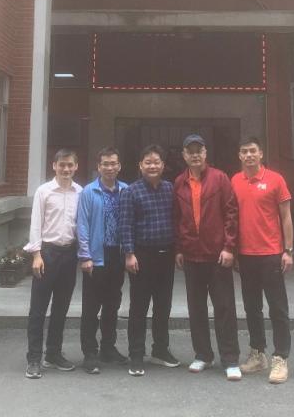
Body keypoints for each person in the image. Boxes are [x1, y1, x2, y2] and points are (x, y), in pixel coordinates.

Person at [172, 134, 241, 381]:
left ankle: (230, 359)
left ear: (205, 153)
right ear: (184, 155)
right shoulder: (179, 182)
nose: (195, 155)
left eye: (199, 150)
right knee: (196, 308)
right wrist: (179, 249)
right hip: (192, 255)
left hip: (217, 255)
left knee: (224, 307)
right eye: (190, 151)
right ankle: (203, 354)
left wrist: (229, 247)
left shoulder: (220, 178)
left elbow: (231, 213)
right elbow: (177, 219)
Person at [231, 137, 294, 384]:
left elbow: (286, 217)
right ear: (239, 156)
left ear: (261, 154)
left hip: (271, 254)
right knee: (252, 307)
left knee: (277, 308)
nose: (248, 155)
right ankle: (258, 353)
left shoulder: (275, 180)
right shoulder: (235, 181)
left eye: (252, 151)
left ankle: (281, 357)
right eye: (244, 151)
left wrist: (288, 250)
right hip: (246, 255)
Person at [118, 144, 180, 376]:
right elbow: (125, 225)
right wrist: (129, 254)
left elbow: (176, 220)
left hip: (166, 255)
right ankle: (136, 354)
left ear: (163, 166)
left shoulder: (169, 189)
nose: (152, 166)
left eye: (156, 162)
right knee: (139, 307)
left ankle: (160, 350)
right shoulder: (131, 192)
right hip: (141, 256)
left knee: (163, 306)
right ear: (140, 166)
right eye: (148, 162)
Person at [24, 149, 83, 379]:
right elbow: (35, 224)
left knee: (61, 308)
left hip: (69, 254)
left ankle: (53, 353)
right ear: (54, 166)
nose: (66, 169)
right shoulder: (44, 191)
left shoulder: (80, 192)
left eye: (70, 165)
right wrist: (36, 254)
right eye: (62, 165)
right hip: (47, 254)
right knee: (38, 309)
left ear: (76, 166)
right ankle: (34, 358)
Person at [76, 146, 129, 374]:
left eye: (113, 163)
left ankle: (108, 348)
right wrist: (85, 255)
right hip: (96, 257)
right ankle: (90, 353)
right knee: (91, 306)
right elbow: (82, 225)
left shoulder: (126, 190)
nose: (109, 167)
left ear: (119, 166)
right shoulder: (89, 192)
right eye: (105, 164)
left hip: (117, 255)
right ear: (98, 167)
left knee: (112, 304)